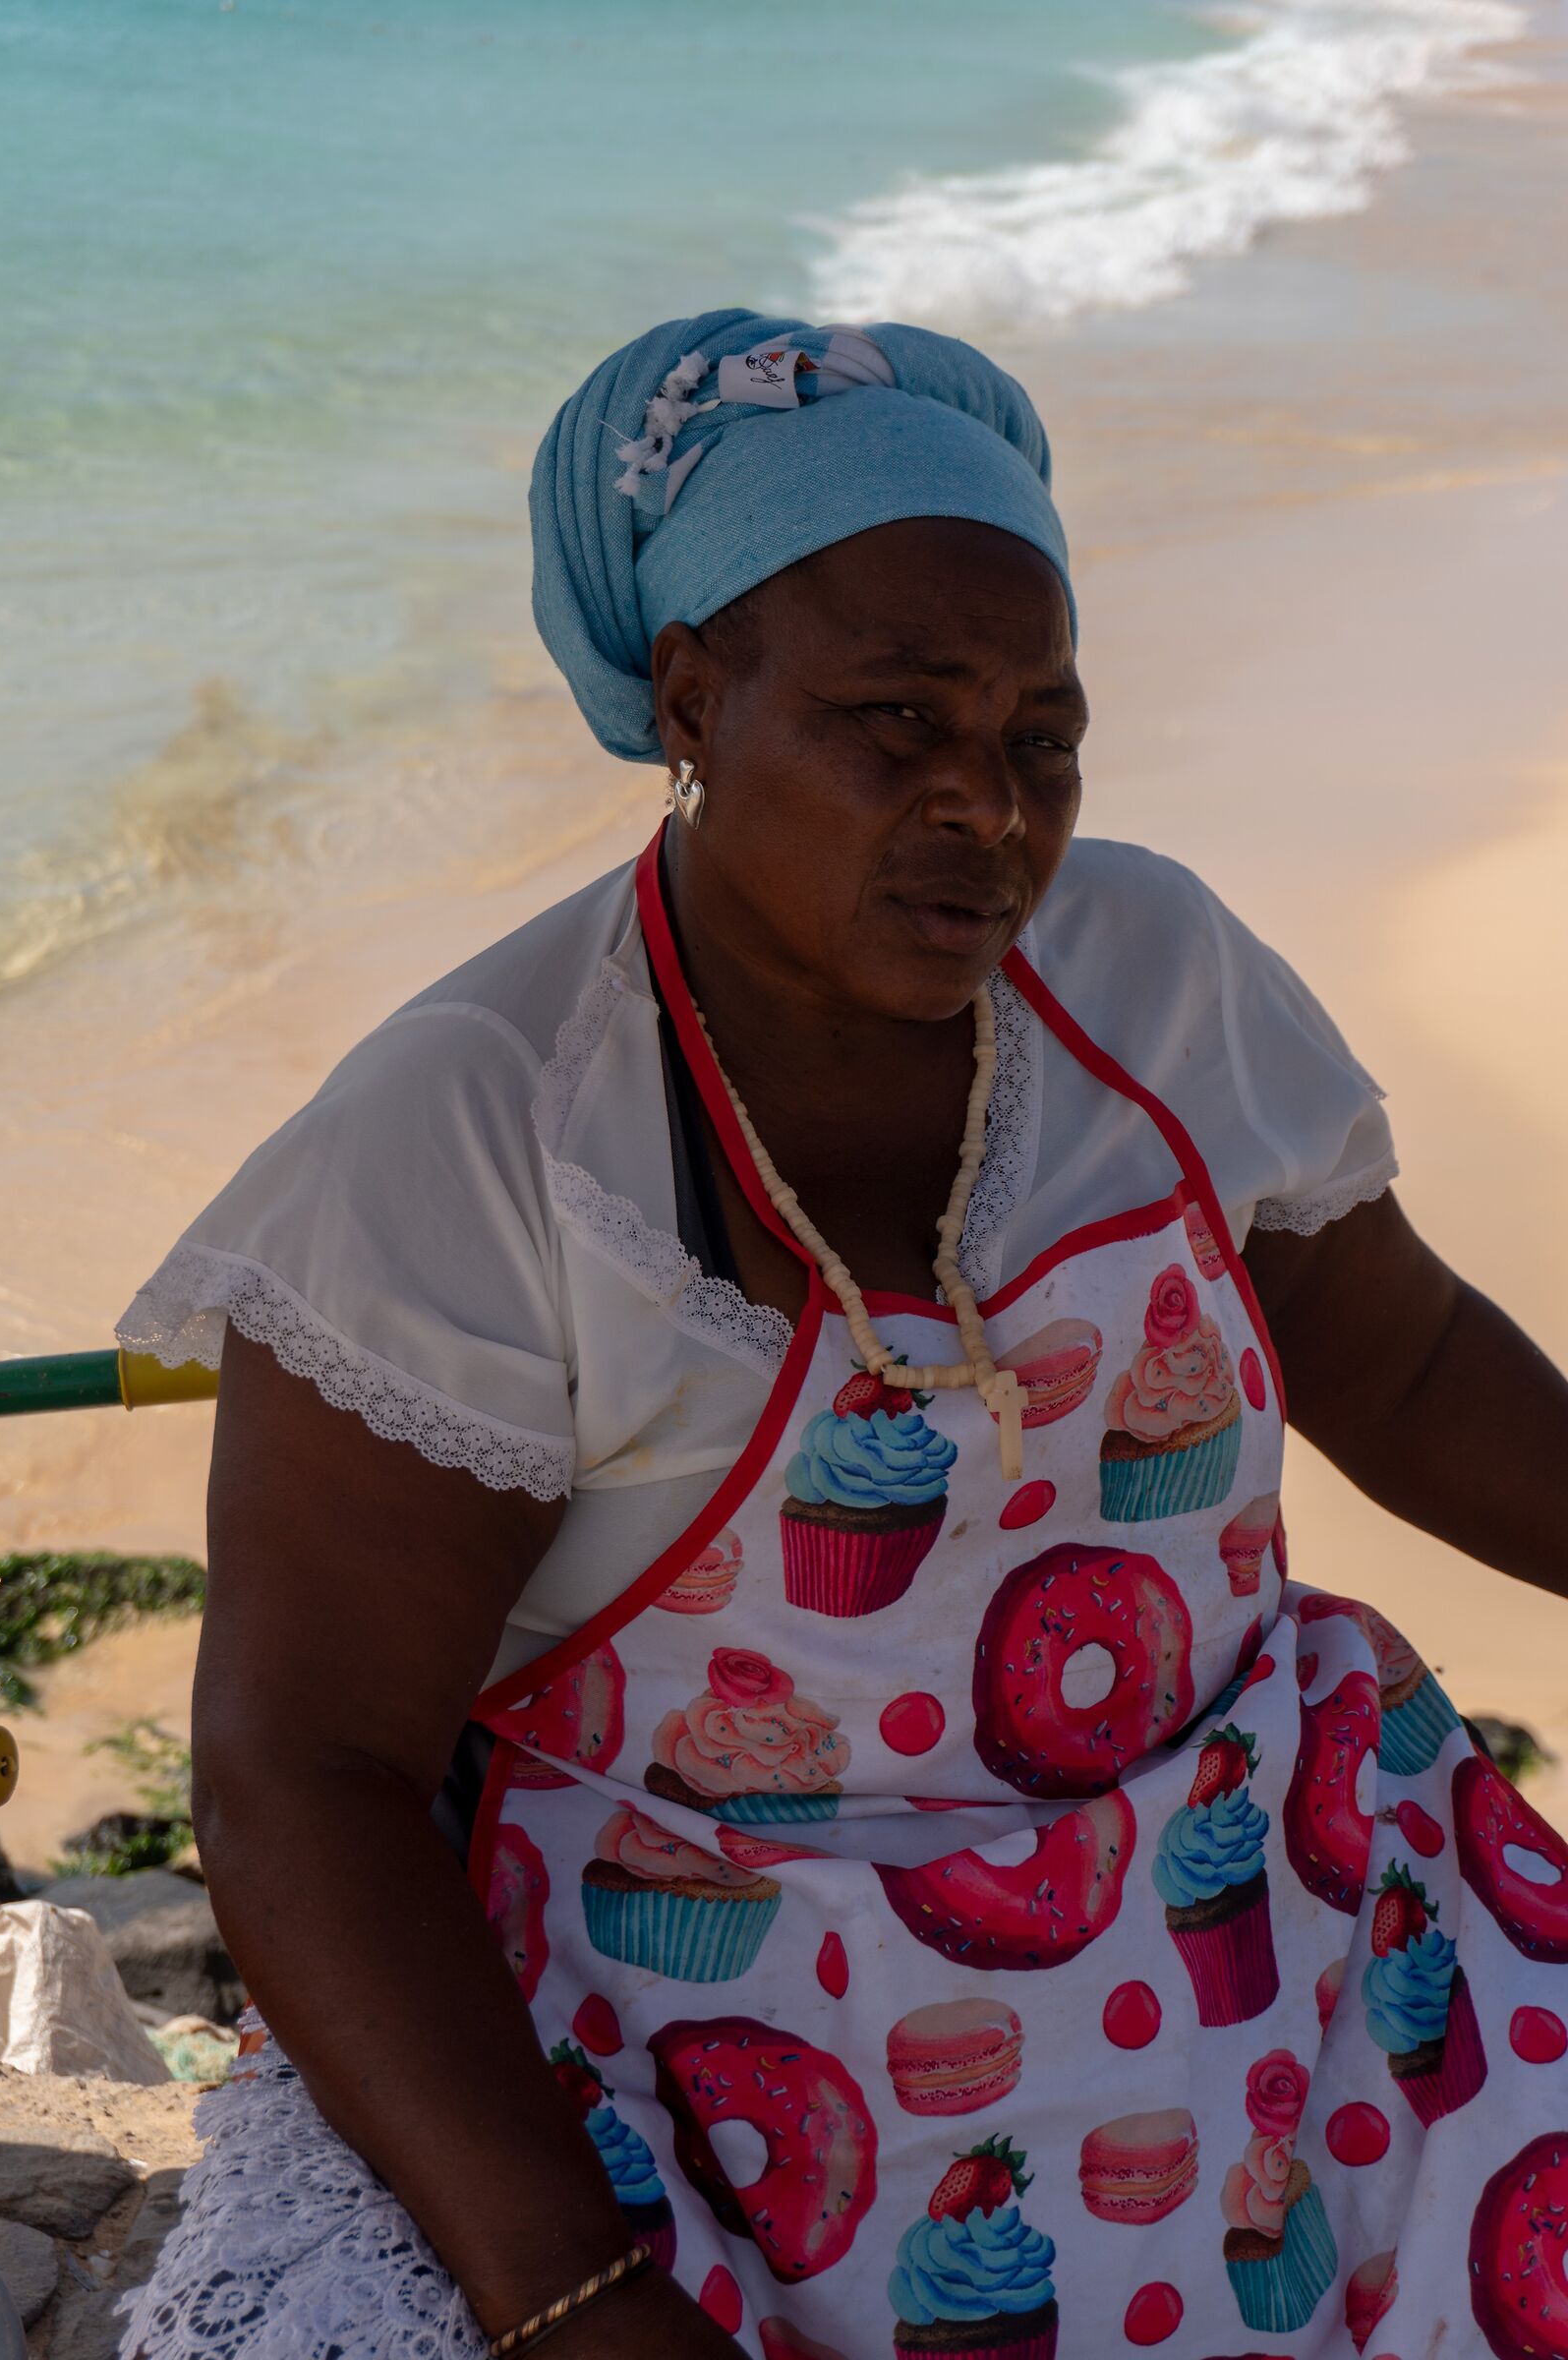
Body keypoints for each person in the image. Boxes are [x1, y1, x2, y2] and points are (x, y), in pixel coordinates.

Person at [118, 312, 1568, 2360]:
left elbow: (1404, 1369)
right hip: (714, 2004)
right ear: (692, 696)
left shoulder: (1153, 979)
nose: (984, 804)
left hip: (1273, 1892)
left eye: (1038, 734)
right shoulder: (471, 1136)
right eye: (895, 718)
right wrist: (571, 2286)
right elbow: (304, 1769)